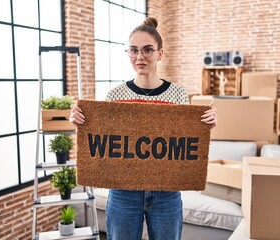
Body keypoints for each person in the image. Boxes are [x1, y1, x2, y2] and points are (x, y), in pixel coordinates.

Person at [69, 17, 217, 240]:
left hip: (167, 193)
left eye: (148, 50)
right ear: (128, 53)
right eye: (134, 50)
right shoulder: (115, 95)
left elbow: (185, 143)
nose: (140, 57)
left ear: (160, 53)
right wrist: (81, 122)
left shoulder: (177, 94)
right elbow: (103, 141)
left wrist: (205, 124)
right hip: (122, 193)